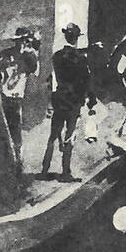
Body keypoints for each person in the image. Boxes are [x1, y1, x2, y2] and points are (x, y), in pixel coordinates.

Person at [42, 23, 97, 181]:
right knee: (69, 137)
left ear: (66, 36)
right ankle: (65, 172)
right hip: (74, 101)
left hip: (59, 97)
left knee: (53, 135)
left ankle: (44, 170)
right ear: (77, 38)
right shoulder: (81, 60)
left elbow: (53, 78)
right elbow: (87, 82)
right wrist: (91, 100)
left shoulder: (57, 57)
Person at [0, 26, 41, 166]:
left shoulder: (29, 57)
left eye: (24, 41)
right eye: (19, 41)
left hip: (16, 99)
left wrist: (34, 49)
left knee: (16, 134)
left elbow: (35, 70)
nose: (22, 44)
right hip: (3, 97)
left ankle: (17, 164)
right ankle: (4, 163)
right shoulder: (6, 54)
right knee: (1, 132)